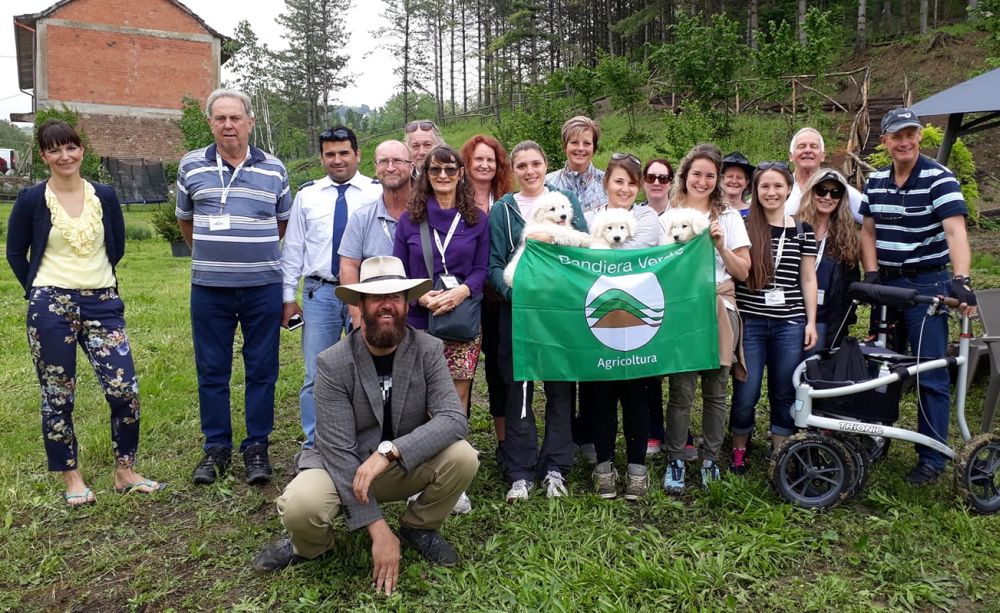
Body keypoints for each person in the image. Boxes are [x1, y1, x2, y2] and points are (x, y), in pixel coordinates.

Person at [253, 256, 478, 587]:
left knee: (464, 456)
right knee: (301, 506)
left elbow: (453, 418)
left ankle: (419, 528)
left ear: (407, 303)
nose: (387, 305)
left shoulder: (428, 349)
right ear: (360, 305)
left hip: (397, 463)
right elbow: (338, 453)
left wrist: (390, 452)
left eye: (395, 297)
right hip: (342, 467)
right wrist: (377, 528)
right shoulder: (332, 363)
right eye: (376, 297)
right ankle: (311, 547)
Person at [6, 119, 162, 506]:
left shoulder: (103, 196)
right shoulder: (32, 199)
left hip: (102, 303)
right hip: (50, 305)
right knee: (58, 394)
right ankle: (71, 477)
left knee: (124, 391)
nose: (65, 156)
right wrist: (39, 290)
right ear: (44, 156)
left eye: (71, 147)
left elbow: (116, 246)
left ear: (82, 151)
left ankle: (125, 472)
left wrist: (95, 282)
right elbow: (15, 253)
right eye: (55, 150)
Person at [176, 88, 292, 485]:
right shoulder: (191, 165)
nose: (228, 125)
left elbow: (283, 222)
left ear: (250, 123)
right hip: (210, 288)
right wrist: (212, 255)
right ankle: (216, 448)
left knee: (262, 369)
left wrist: (250, 251)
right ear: (210, 123)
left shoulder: (274, 169)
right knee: (212, 369)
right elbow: (185, 219)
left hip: (262, 287)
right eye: (220, 118)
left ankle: (256, 447)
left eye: (235, 118)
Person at [860, 107, 976, 485]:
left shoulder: (939, 178)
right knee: (881, 367)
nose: (904, 141)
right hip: (887, 285)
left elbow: (955, 231)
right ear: (885, 141)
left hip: (927, 285)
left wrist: (961, 279)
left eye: (910, 134)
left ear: (919, 137)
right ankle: (878, 439)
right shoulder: (875, 181)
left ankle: (931, 457)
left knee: (929, 370)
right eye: (897, 135)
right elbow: (868, 231)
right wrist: (871, 272)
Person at [489, 140, 588, 501]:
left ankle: (556, 467)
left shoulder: (565, 201)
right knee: (519, 390)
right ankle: (520, 470)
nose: (530, 171)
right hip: (518, 313)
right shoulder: (503, 210)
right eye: (522, 165)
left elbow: (583, 249)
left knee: (561, 389)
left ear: (546, 165)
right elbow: (495, 264)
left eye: (536, 163)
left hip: (558, 315)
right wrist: (516, 296)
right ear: (513, 170)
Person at [393, 145, 488, 514]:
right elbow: (399, 272)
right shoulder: (410, 220)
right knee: (418, 399)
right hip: (420, 321)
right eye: (436, 170)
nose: (444, 176)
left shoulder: (476, 219)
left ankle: (453, 478)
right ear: (426, 175)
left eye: (450, 170)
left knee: (455, 398)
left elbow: (481, 269)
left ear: (461, 173)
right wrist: (421, 296)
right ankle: (418, 474)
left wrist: (461, 291)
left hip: (461, 319)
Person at [281, 126, 381, 451]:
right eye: (330, 154)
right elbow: (293, 248)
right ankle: (315, 445)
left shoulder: (376, 193)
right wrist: (288, 297)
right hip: (320, 294)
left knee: (369, 369)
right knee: (317, 373)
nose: (337, 160)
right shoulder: (307, 195)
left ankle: (366, 442)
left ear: (357, 155)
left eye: (344, 153)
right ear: (322, 158)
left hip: (365, 293)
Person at [660, 144, 750, 492]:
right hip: (684, 310)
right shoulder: (669, 217)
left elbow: (743, 272)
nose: (702, 181)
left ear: (718, 180)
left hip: (719, 306)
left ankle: (711, 459)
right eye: (696, 174)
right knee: (681, 391)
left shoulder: (728, 217)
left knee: (716, 390)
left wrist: (721, 246)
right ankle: (676, 459)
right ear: (685, 176)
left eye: (710, 175)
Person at [584, 153, 663, 500]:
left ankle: (636, 469)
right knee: (600, 394)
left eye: (632, 183)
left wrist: (601, 249)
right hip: (597, 316)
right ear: (606, 183)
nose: (625, 189)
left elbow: (635, 249)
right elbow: (581, 253)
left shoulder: (646, 217)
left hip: (639, 317)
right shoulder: (589, 217)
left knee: (636, 394)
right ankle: (603, 467)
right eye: (619, 181)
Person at [730, 162, 818, 473]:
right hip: (751, 322)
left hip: (789, 323)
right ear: (755, 190)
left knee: (784, 390)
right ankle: (739, 447)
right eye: (764, 186)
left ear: (789, 189)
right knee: (746, 391)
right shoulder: (742, 225)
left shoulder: (803, 230)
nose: (771, 192)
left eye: (778, 186)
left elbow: (808, 278)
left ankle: (780, 450)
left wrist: (810, 322)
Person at [460, 135, 513, 460]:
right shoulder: (453, 198)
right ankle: (456, 443)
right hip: (464, 296)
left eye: (490, 160)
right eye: (478, 159)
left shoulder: (507, 200)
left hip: (497, 299)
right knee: (459, 371)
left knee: (498, 368)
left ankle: (505, 442)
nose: (484, 165)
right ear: (467, 164)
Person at [339, 140, 413, 328]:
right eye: (384, 161)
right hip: (376, 318)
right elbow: (348, 266)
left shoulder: (428, 214)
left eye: (398, 161)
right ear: (375, 167)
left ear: (411, 167)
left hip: (422, 315)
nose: (390, 167)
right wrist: (358, 316)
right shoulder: (361, 218)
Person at [796, 169, 860, 355]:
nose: (827, 197)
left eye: (835, 193)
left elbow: (850, 285)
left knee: (815, 369)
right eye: (821, 190)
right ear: (811, 192)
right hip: (792, 318)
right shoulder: (794, 228)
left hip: (826, 321)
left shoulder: (846, 237)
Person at [783, 127, 863, 223]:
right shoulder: (779, 188)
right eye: (801, 146)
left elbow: (871, 219)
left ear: (823, 156)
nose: (807, 150)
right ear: (791, 156)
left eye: (814, 146)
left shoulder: (839, 190)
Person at [545, 115, 606, 218]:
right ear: (565, 146)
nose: (581, 148)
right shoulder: (547, 184)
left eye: (587, 143)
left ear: (594, 148)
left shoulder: (608, 184)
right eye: (574, 143)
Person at [720, 152, 754, 218]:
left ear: (746, 182)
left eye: (739, 177)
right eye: (730, 176)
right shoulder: (710, 210)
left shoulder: (755, 213)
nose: (734, 181)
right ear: (721, 180)